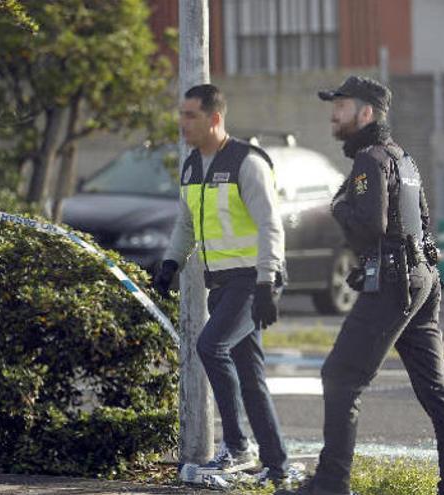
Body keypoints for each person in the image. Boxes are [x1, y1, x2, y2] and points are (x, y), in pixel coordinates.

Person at [280, 76, 444, 495]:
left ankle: (331, 485)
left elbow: (371, 225)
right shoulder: (403, 157)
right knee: (436, 390)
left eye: (342, 107)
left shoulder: (369, 159)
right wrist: (369, 265)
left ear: (366, 113)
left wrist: (340, 208)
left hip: (394, 283)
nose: (333, 114)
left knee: (340, 376)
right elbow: (419, 224)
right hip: (421, 278)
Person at [153, 84, 291, 484]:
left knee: (211, 346)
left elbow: (270, 225)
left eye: (191, 115)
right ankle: (278, 469)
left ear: (215, 118)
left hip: (253, 281)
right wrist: (170, 264)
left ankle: (236, 447)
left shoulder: (248, 163)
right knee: (251, 376)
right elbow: (186, 224)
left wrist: (267, 283)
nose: (182, 123)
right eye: (181, 114)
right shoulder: (192, 165)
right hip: (223, 282)